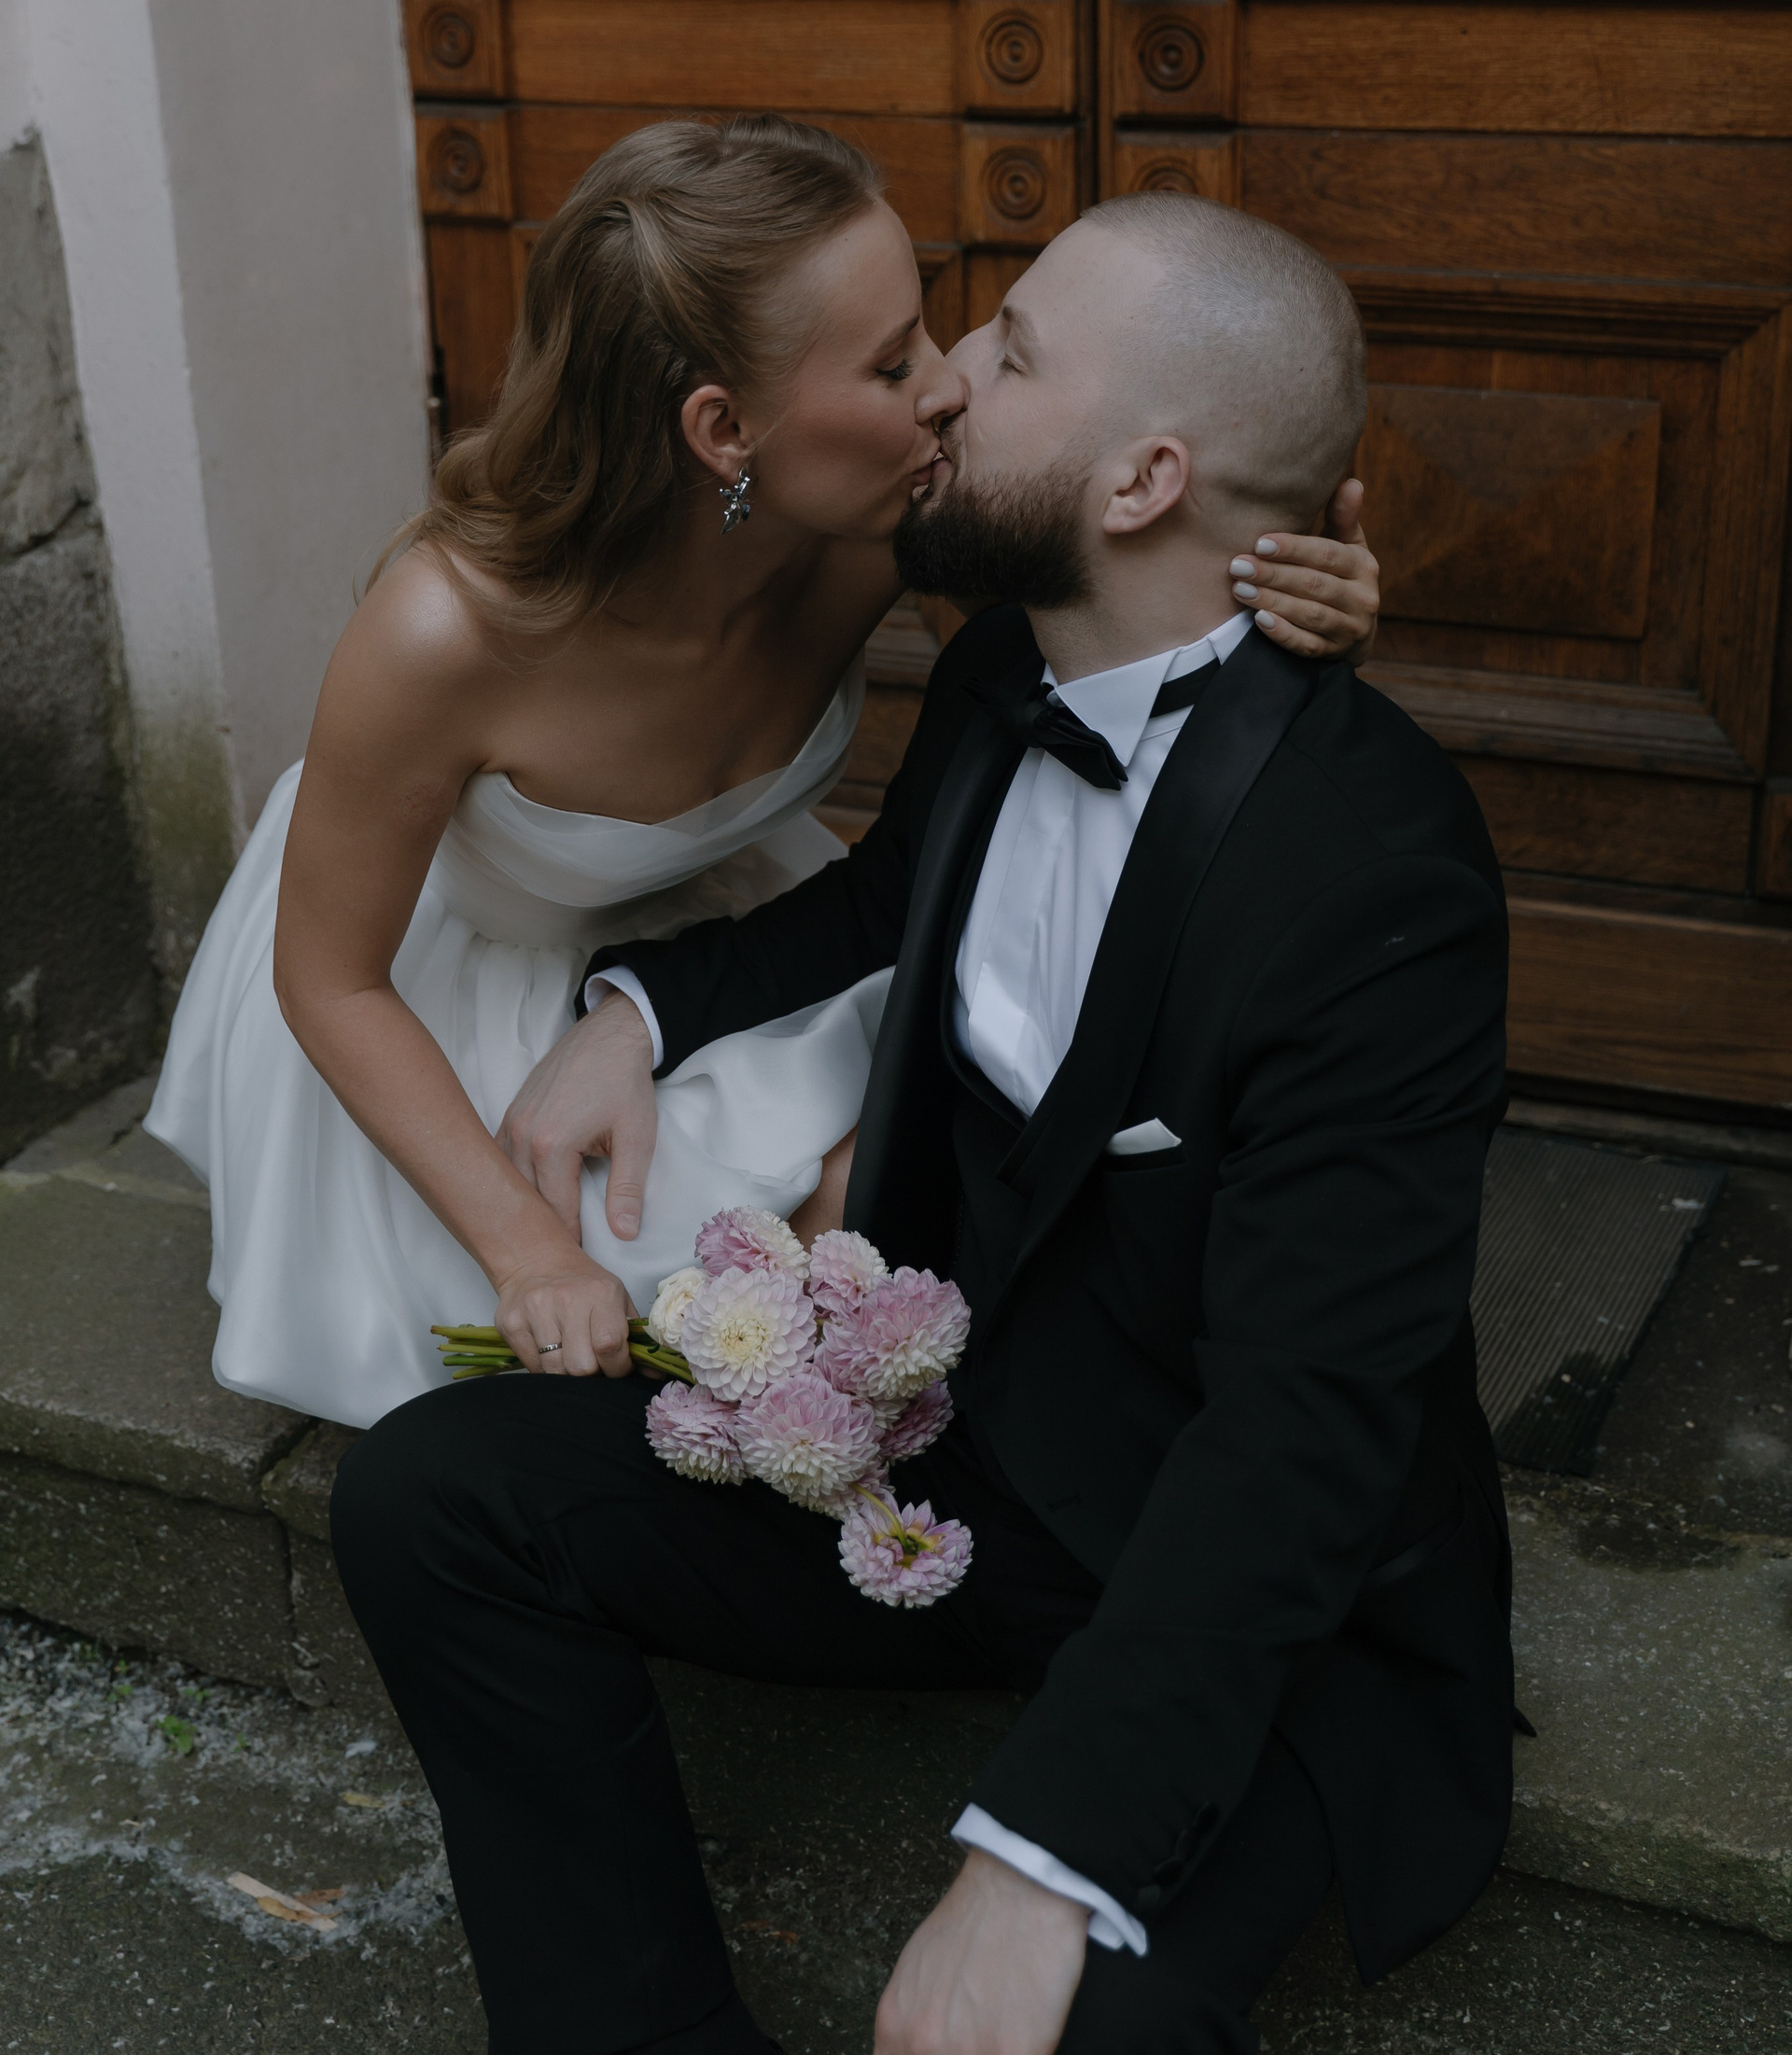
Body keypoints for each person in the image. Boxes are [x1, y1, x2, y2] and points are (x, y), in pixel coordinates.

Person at [330, 191, 1514, 2055]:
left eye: (1013, 350)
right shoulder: (1000, 662)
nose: (951, 377)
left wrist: (1042, 1851)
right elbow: (891, 900)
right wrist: (640, 1007)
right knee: (435, 1497)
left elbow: (1305, 1430)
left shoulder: (1375, 868)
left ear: (1144, 480)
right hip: (960, 1455)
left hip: (1246, 1573)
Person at [145, 115, 1381, 1431]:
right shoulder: (442, 633)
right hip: (438, 972)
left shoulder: (891, 522)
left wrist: (1284, 616)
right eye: (893, 362)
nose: (950, 387)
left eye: (932, 329)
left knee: (900, 1193)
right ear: (723, 428)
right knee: (703, 1288)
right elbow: (331, 979)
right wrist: (528, 1251)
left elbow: (1110, 649)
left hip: (734, 923)